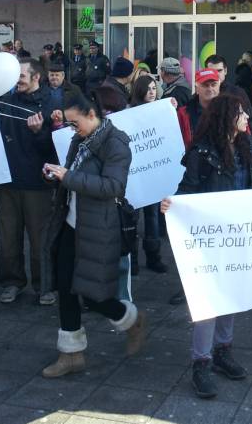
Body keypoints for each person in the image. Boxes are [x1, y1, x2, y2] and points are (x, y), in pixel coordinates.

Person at [40, 91, 146, 378]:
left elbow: (113, 187)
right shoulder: (81, 139)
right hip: (72, 225)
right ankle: (71, 354)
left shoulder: (116, 142)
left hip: (99, 228)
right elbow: (73, 177)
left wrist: (68, 177)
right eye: (70, 125)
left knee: (94, 295)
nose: (73, 130)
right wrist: (56, 176)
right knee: (66, 288)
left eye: (76, 123)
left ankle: (131, 321)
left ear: (92, 115)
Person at [160, 95, 252, 399]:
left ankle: (223, 350)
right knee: (208, 301)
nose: (245, 118)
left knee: (230, 296)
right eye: (240, 113)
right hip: (211, 238)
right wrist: (172, 204)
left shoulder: (248, 148)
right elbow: (186, 190)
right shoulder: (202, 152)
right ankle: (201, 361)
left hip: (238, 235)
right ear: (226, 117)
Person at [0, 58, 58, 306]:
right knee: (8, 238)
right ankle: (11, 282)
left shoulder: (51, 104)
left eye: (21, 76)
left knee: (39, 240)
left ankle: (44, 286)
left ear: (35, 78)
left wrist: (40, 132)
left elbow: (53, 150)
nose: (17, 80)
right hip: (8, 182)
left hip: (37, 185)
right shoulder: (6, 102)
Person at [127, 75, 168, 274]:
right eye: (148, 88)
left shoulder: (160, 110)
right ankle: (132, 260)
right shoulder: (129, 113)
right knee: (132, 219)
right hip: (135, 175)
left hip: (153, 172)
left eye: (154, 88)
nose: (152, 92)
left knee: (152, 217)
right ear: (140, 90)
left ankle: (154, 257)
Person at [177, 68, 221, 148]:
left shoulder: (230, 110)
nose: (210, 89)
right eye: (205, 85)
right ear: (196, 88)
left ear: (219, 87)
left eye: (213, 85)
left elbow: (245, 139)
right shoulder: (183, 113)